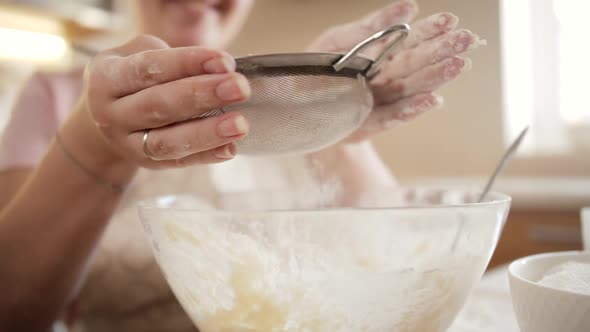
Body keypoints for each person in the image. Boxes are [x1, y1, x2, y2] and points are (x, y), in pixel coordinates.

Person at [0, 0, 483, 330]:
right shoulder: (52, 96)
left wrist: (332, 117)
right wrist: (95, 141)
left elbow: (390, 274)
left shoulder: (296, 98)